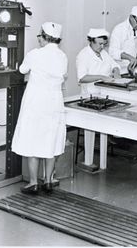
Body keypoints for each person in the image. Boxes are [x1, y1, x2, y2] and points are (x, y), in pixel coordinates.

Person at [11, 22, 68, 195]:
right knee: (51, 140)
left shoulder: (34, 54)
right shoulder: (62, 56)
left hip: (36, 102)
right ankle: (49, 180)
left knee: (32, 140)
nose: (38, 39)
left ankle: (34, 183)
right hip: (54, 101)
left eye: (39, 36)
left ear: (44, 37)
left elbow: (22, 70)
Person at [76, 28, 121, 94]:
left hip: (106, 91)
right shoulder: (83, 55)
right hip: (91, 94)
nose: (102, 47)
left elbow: (114, 65)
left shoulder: (103, 53)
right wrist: (101, 77)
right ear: (91, 41)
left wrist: (116, 72)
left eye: (104, 44)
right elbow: (82, 78)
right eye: (100, 44)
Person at [108, 6, 137, 72]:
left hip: (132, 69)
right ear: (131, 17)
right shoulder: (119, 29)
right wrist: (129, 57)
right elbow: (113, 52)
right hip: (118, 69)